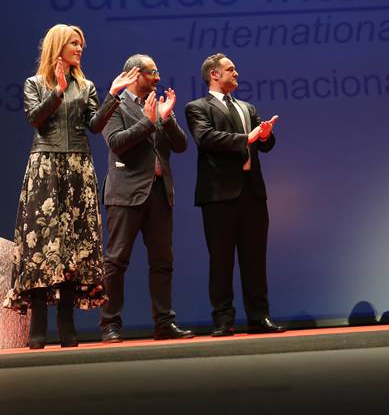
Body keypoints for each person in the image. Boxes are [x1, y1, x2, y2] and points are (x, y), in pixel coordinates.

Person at [3, 24, 137, 349]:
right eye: (74, 43)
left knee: (74, 244)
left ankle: (67, 323)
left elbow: (94, 125)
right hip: (45, 166)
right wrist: (58, 90)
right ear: (58, 46)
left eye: (81, 44)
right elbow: (36, 119)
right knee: (41, 244)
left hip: (77, 167)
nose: (79, 48)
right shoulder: (34, 83)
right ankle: (38, 325)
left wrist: (112, 95)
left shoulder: (86, 85)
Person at [184, 53, 283, 336]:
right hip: (218, 195)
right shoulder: (197, 107)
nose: (236, 73)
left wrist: (264, 135)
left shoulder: (246, 107)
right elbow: (206, 139)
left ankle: (259, 317)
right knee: (221, 260)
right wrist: (247, 138)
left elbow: (265, 145)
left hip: (251, 193)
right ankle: (223, 320)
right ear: (214, 75)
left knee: (255, 259)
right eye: (230, 69)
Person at [99, 54, 194, 343]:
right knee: (116, 261)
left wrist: (165, 120)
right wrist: (150, 122)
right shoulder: (115, 104)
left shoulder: (158, 101)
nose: (157, 78)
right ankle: (110, 325)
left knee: (163, 261)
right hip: (125, 193)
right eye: (152, 73)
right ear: (135, 74)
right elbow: (117, 143)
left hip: (158, 191)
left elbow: (180, 146)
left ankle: (164, 323)